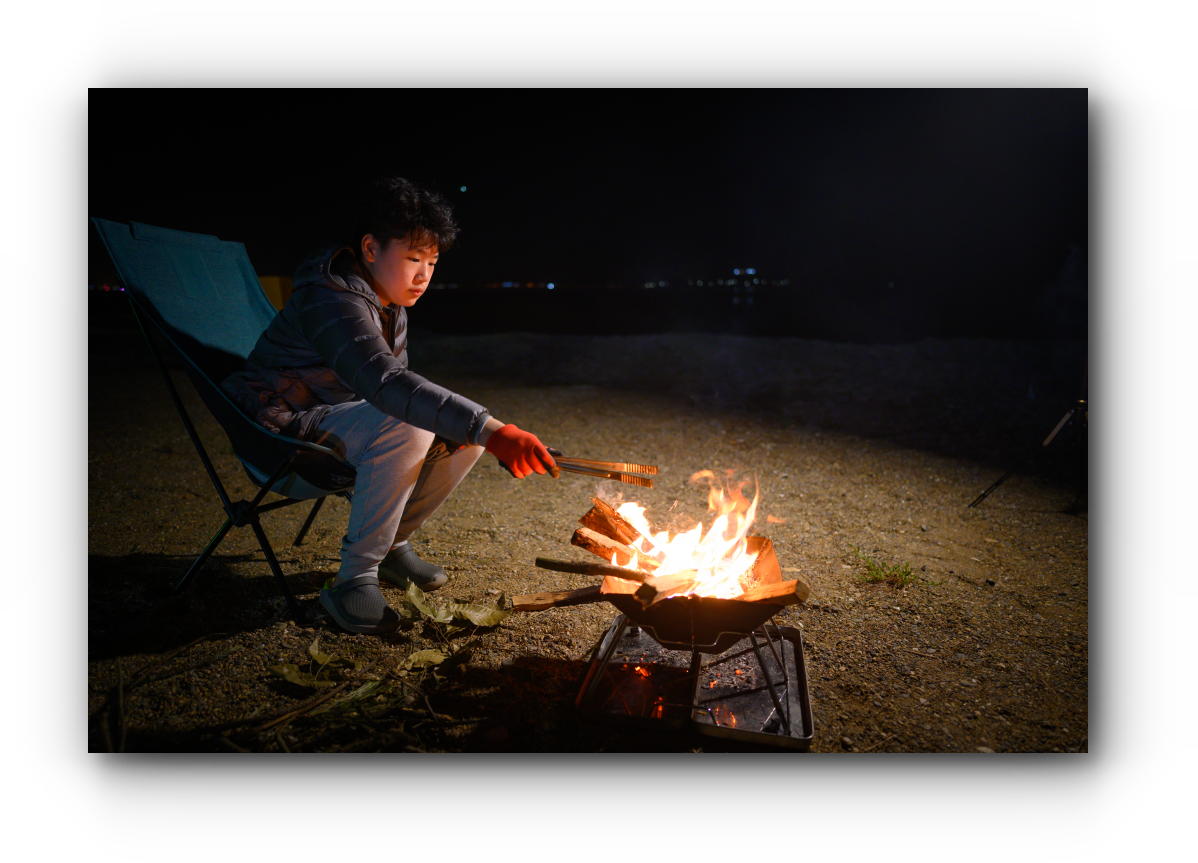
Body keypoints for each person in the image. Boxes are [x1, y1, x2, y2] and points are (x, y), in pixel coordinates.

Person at [222, 177, 555, 635]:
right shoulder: (329, 298)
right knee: (425, 424)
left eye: (432, 262)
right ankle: (353, 580)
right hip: (278, 437)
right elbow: (385, 383)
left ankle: (391, 546)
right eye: (413, 258)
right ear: (371, 248)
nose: (424, 275)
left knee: (459, 430)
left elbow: (396, 391)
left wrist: (481, 431)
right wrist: (490, 428)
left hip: (333, 426)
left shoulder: (389, 304)